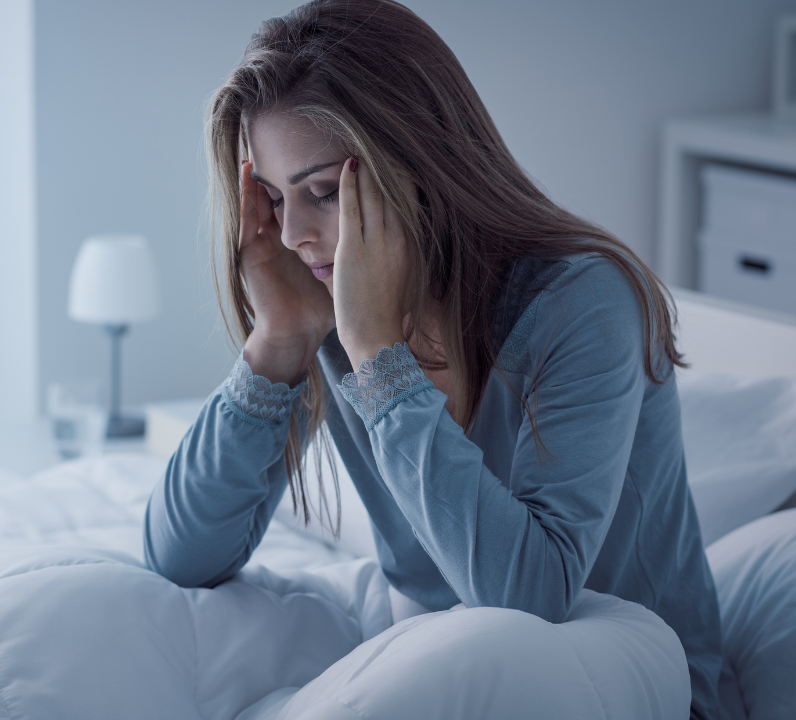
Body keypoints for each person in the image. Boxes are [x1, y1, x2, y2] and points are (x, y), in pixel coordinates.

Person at [142, 1, 722, 717]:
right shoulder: (328, 310)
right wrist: (281, 336)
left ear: (420, 166)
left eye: (322, 193)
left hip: (632, 691)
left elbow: (529, 598)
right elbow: (180, 556)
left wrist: (381, 360)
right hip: (445, 680)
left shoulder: (584, 302)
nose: (291, 234)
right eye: (272, 198)